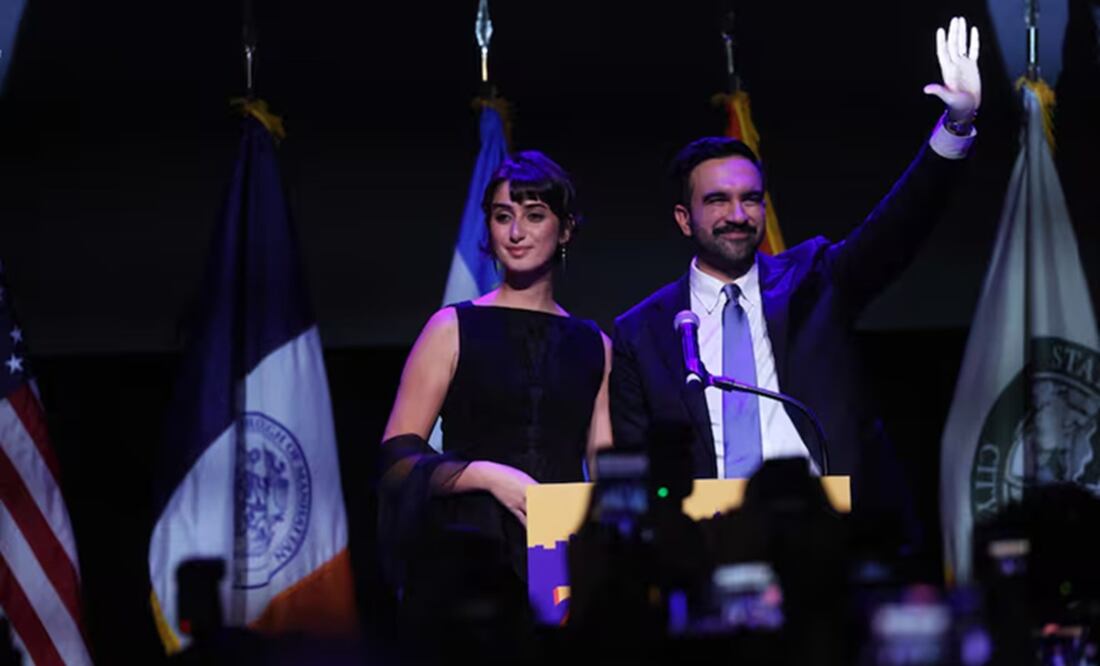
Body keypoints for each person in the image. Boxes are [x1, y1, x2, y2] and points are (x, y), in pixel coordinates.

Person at [609, 18, 982, 549]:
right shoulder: (640, 333)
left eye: (751, 199)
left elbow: (901, 224)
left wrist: (957, 125)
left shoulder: (815, 278)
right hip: (707, 546)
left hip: (827, 536)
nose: (738, 215)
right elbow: (640, 460)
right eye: (717, 201)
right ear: (683, 219)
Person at [378, 150, 613, 589]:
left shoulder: (594, 343)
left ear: (565, 230)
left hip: (563, 553)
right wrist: (486, 476)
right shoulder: (451, 327)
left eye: (535, 215)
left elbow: (605, 467)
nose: (517, 232)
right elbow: (396, 459)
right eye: (503, 216)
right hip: (471, 549)